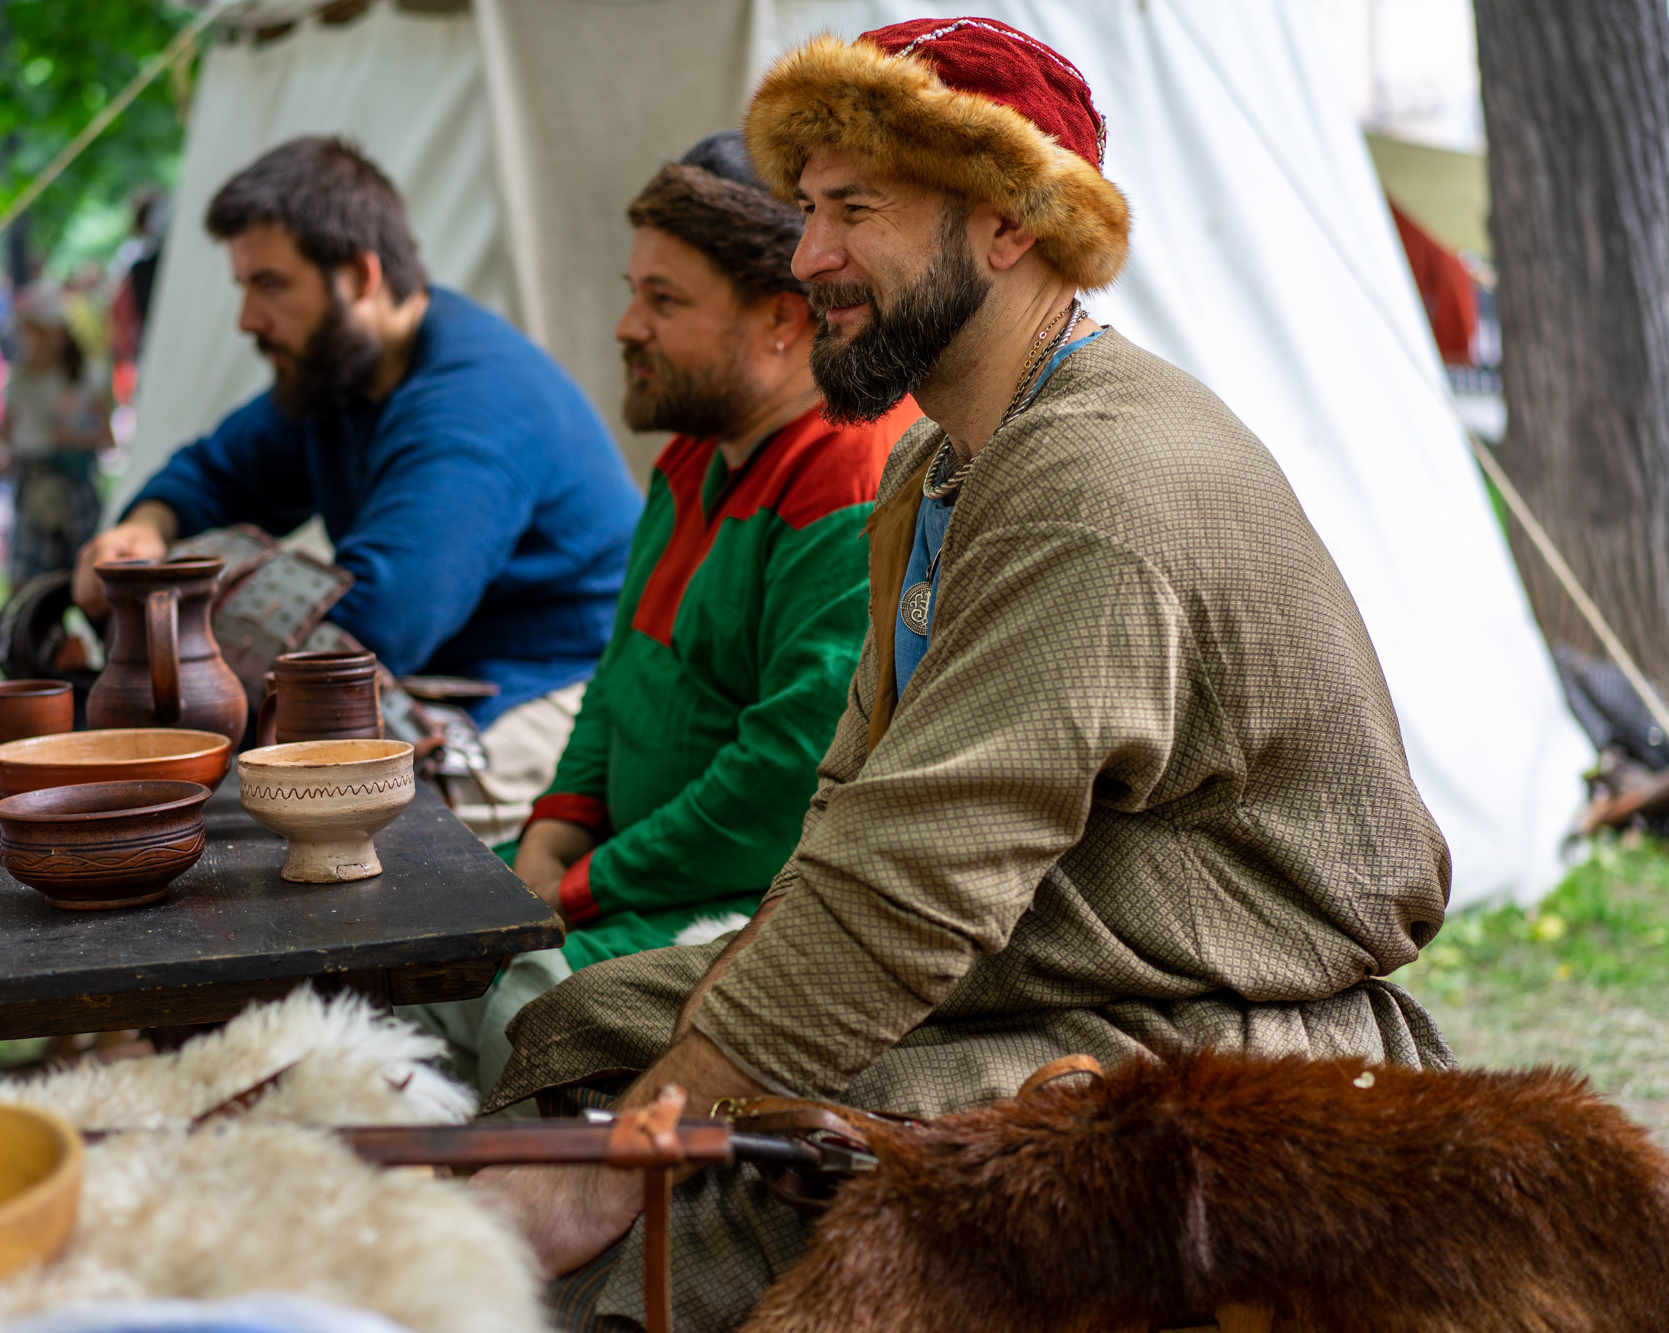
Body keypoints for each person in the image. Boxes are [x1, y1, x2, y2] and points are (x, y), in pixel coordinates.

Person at [477, 20, 1454, 1330]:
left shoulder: (1098, 482)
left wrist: (643, 1147)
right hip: (1045, 976)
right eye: (807, 208)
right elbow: (851, 819)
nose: (810, 253)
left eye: (856, 210)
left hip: (1224, 1026)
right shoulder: (940, 472)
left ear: (1008, 223)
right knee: (580, 1025)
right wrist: (669, 1053)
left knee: (688, 1214)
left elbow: (911, 879)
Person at [402, 134, 920, 1099]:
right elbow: (619, 678)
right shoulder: (698, 446)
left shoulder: (851, 472)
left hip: (740, 900)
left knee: (528, 1006)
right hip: (623, 871)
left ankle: (530, 1229)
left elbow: (780, 784)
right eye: (634, 289)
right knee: (408, 963)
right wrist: (552, 836)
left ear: (779, 320)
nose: (625, 326)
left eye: (664, 301)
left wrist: (580, 887)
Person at [76, 138, 641, 837]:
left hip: (561, 690)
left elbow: (377, 626)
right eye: (245, 287)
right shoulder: (340, 374)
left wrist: (167, 643)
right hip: (438, 678)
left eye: (271, 285)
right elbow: (213, 471)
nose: (248, 319)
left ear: (360, 275)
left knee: (349, 823)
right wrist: (147, 529)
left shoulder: (472, 405)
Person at [0, 289, 113, 589]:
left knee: (88, 578)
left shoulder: (86, 376)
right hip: (33, 487)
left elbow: (107, 437)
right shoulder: (17, 382)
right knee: (28, 584)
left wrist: (71, 439)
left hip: (75, 487)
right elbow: (4, 438)